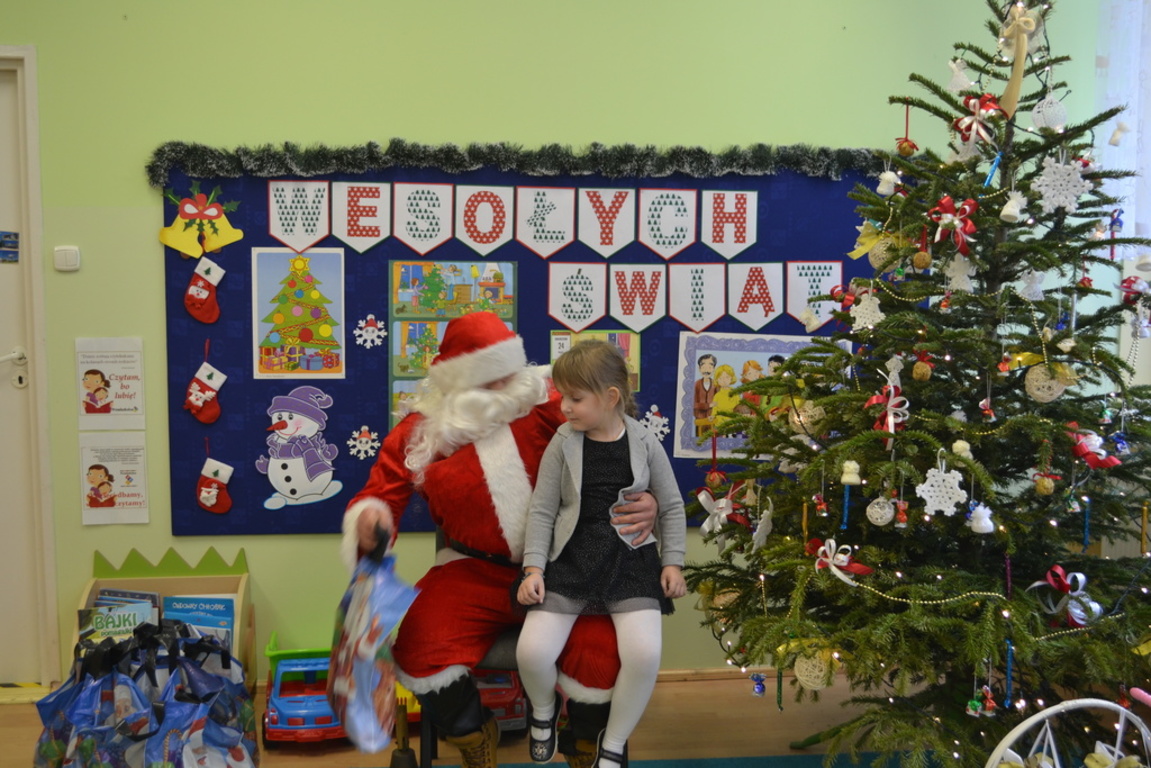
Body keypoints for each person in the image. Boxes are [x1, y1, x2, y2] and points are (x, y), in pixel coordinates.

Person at [343, 311, 657, 768]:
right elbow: (380, 493)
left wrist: (646, 499)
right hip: (471, 569)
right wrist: (370, 519)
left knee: (602, 652)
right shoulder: (423, 430)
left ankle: (584, 742)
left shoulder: (554, 405)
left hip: (567, 565)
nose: (499, 389)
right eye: (484, 380)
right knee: (419, 646)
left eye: (505, 376)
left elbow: (627, 448)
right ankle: (474, 734)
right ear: (454, 382)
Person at [516, 340, 686, 768]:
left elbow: (671, 506)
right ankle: (543, 711)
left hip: (631, 561)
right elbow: (542, 508)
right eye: (562, 397)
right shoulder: (563, 442)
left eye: (575, 398)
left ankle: (613, 742)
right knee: (532, 652)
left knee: (644, 655)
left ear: (611, 397)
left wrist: (673, 562)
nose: (564, 407)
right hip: (572, 559)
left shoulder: (644, 440)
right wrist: (533, 568)